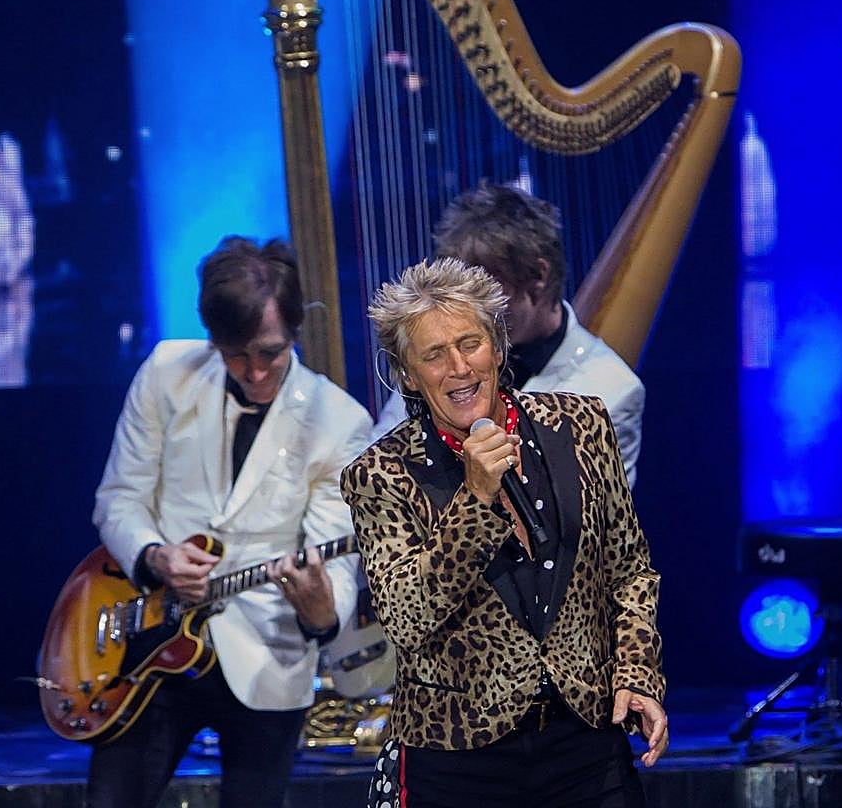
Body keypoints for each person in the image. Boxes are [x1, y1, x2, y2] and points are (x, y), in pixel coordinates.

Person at [342, 257, 667, 808]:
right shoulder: (380, 475)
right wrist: (475, 499)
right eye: (433, 355)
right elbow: (406, 619)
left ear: (497, 345)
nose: (458, 368)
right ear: (407, 375)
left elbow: (629, 569)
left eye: (469, 344)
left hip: (583, 739)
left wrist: (636, 671)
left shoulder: (582, 426)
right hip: (457, 754)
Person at [86, 237, 373, 808]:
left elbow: (335, 581)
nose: (255, 372)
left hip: (267, 656)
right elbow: (118, 499)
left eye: (270, 352)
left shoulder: (340, 422)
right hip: (153, 640)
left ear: (295, 329)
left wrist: (319, 607)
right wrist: (156, 556)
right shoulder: (166, 372)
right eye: (235, 354)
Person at [373, 183, 645, 487]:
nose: (469, 307)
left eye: (486, 288)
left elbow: (589, 510)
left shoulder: (612, 389)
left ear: (538, 275)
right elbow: (380, 468)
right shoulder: (437, 361)